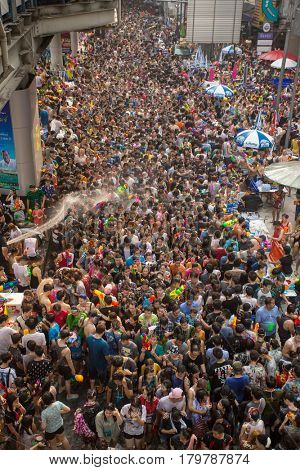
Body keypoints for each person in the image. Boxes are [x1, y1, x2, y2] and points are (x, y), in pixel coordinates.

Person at [86, 323, 110, 391]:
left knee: (92, 377)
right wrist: (109, 362)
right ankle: (100, 389)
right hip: (101, 364)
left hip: (91, 362)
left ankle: (92, 389)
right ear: (103, 332)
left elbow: (87, 349)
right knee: (101, 378)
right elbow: (107, 357)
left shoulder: (89, 338)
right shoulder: (104, 343)